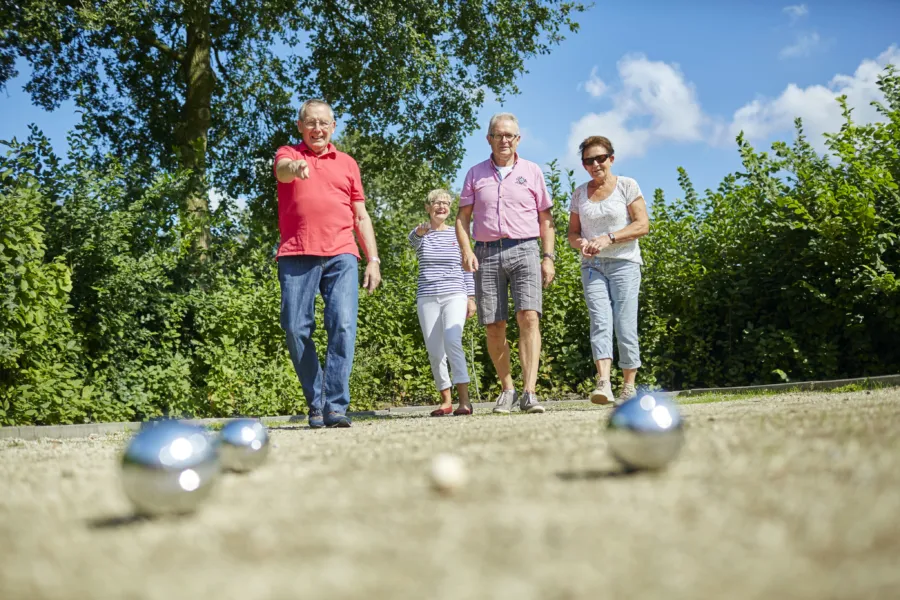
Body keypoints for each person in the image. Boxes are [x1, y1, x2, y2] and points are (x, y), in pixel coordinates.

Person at [273, 99, 382, 429]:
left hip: (341, 252)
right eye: (311, 123)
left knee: (343, 325)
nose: (317, 128)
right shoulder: (288, 154)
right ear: (300, 126)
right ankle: (316, 399)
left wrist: (373, 259)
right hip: (296, 252)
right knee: (294, 327)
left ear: (333, 127)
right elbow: (282, 171)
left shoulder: (347, 163)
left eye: (324, 123)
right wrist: (296, 169)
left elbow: (361, 215)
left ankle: (335, 405)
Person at [455, 112, 556, 414]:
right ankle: (508, 390)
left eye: (509, 135)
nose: (504, 140)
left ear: (518, 139)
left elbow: (546, 219)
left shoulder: (532, 171)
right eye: (498, 135)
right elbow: (462, 218)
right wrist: (466, 249)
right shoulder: (475, 173)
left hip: (525, 248)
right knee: (494, 324)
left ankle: (529, 392)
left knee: (529, 317)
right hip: (486, 253)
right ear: (489, 138)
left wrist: (548, 258)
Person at [567, 135, 650, 405]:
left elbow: (642, 225)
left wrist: (609, 238)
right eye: (589, 160)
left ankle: (628, 385)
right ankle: (603, 382)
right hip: (592, 266)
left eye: (600, 158)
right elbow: (572, 233)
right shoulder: (579, 193)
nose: (595, 164)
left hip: (624, 263)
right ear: (584, 164)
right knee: (599, 321)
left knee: (625, 324)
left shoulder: (627, 185)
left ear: (611, 159)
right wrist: (581, 243)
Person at [408, 189, 478, 417]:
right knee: (435, 351)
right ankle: (446, 401)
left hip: (454, 294)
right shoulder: (420, 234)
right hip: (427, 297)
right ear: (428, 208)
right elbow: (413, 241)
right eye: (436, 203)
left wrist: (470, 297)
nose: (441, 207)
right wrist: (420, 232)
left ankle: (464, 401)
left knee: (452, 341)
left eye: (446, 203)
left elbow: (467, 266)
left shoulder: (458, 234)